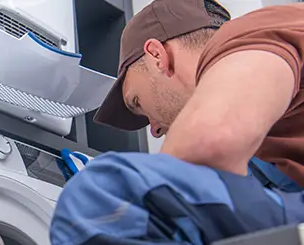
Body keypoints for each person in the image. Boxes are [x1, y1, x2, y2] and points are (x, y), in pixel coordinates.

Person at [93, 0, 304, 187]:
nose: (154, 130)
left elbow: (206, 143)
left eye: (137, 101)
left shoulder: (252, 34)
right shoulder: (264, 146)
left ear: (157, 57)